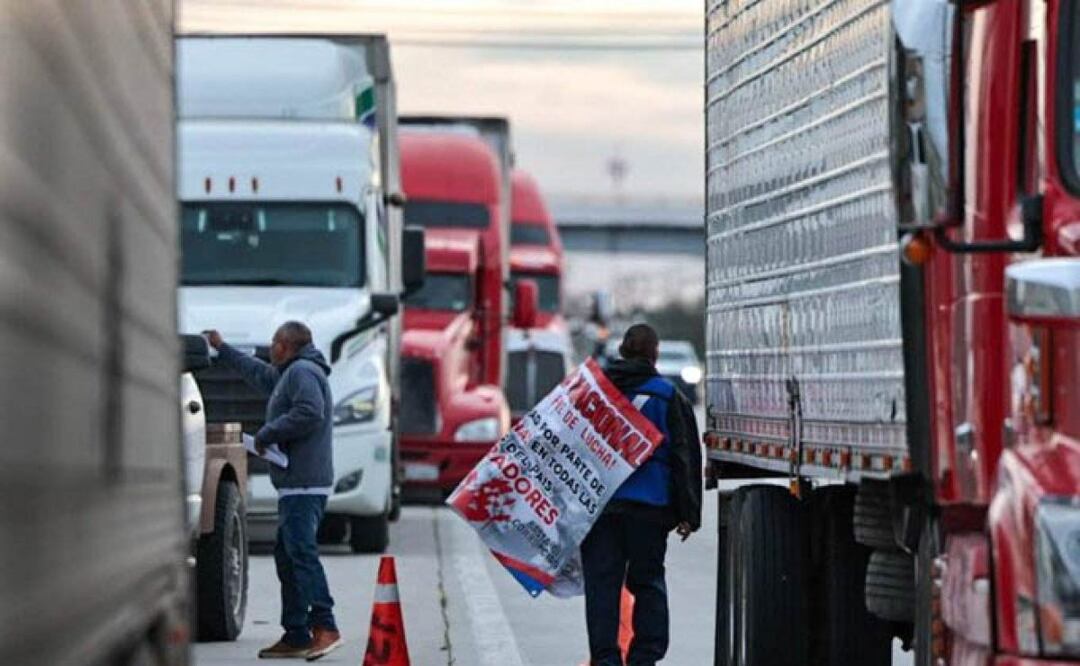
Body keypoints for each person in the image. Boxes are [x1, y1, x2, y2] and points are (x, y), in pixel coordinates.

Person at [203, 322, 343, 661]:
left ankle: (325, 626)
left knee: (302, 554)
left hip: (304, 483)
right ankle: (296, 634)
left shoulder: (302, 373)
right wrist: (223, 349)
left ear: (287, 344)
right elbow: (256, 372)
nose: (270, 347)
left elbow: (310, 412)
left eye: (275, 342)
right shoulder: (287, 373)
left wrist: (267, 433)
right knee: (288, 557)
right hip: (296, 482)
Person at [581, 323, 703, 666]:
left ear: (621, 351)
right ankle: (644, 657)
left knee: (602, 586)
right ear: (655, 354)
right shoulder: (667, 396)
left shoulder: (592, 393)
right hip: (649, 509)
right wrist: (688, 514)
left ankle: (605, 659)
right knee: (647, 581)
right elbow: (684, 457)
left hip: (599, 508)